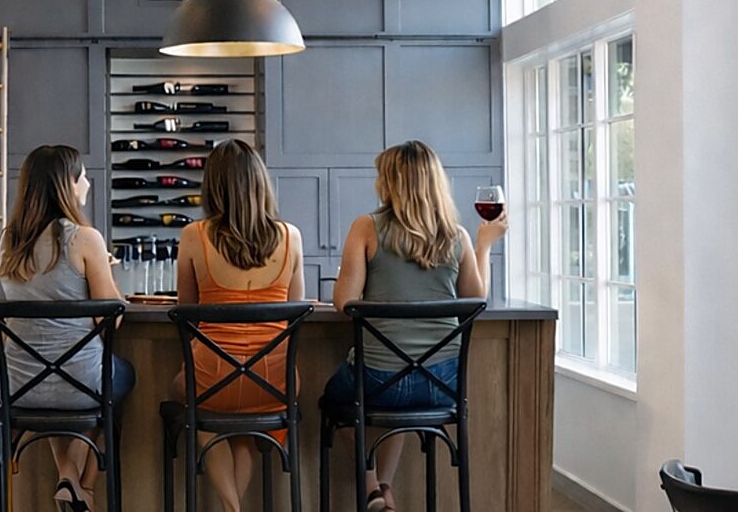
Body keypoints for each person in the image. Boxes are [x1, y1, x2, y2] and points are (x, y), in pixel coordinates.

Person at [324, 140, 509, 512]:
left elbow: (345, 302)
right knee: (408, 381)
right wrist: (484, 245)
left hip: (378, 380)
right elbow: (475, 300)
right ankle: (384, 491)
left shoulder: (367, 227)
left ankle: (372, 489)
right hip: (442, 384)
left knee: (337, 400)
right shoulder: (455, 236)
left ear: (391, 183)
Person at [0, 144, 132, 512]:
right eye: (83, 176)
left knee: (59, 376)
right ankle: (83, 486)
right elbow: (111, 316)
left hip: (20, 386)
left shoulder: (10, 240)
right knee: (112, 382)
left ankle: (68, 480)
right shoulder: (85, 239)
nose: (87, 182)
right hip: (81, 384)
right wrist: (105, 269)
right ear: (69, 185)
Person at [174, 139, 304, 512]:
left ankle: (232, 509)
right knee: (245, 430)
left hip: (213, 378)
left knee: (190, 399)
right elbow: (295, 311)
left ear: (212, 185)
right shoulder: (290, 236)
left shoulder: (193, 236)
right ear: (260, 183)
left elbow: (186, 312)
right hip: (274, 380)